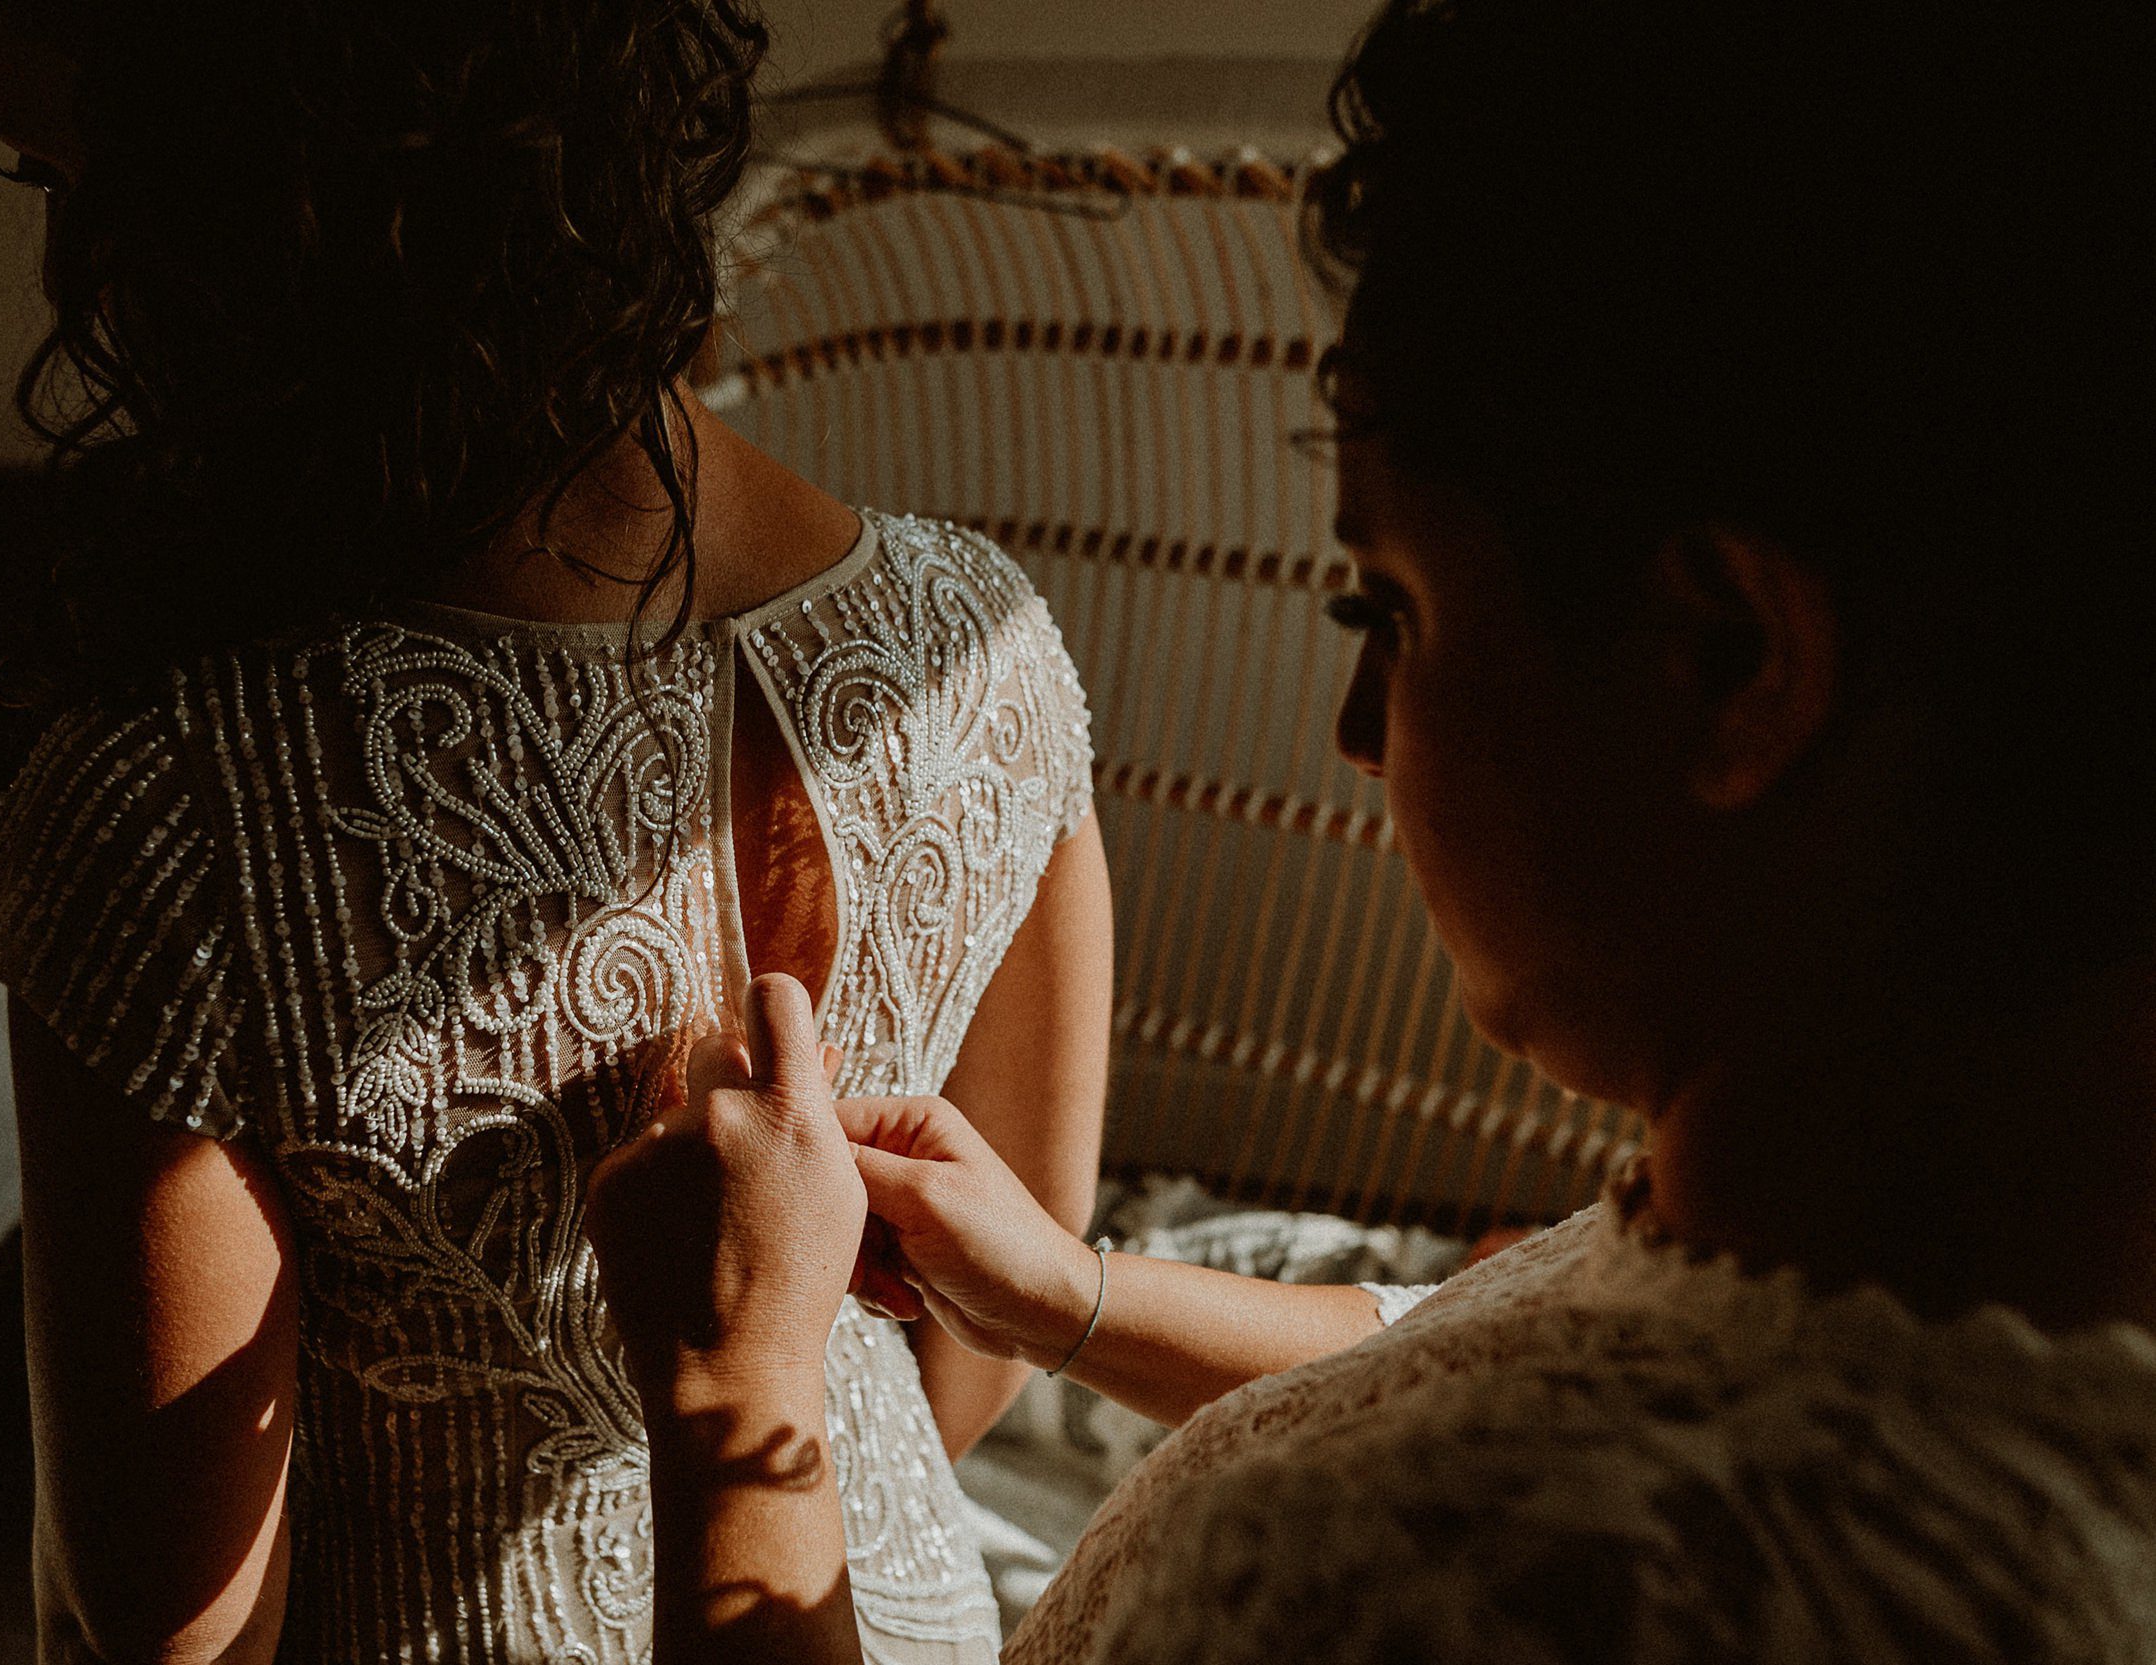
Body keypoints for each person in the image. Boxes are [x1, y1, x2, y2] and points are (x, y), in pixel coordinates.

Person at [586, 0, 2156, 1658]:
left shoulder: (1412, 1581)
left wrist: (731, 1393)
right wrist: (1073, 1295)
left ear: (1732, 662)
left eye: (1388, 609)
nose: (1351, 732)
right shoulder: (1891, 1251)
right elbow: (1485, 1329)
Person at [0, 2, 1114, 1659]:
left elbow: (170, 1633)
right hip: (879, 1609)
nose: (74, 274)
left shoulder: (176, 807)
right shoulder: (981, 641)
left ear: (259, 197)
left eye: (65, 174)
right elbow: (989, 1320)